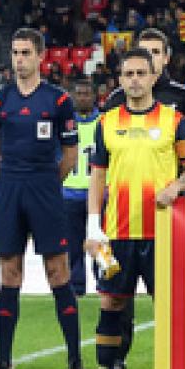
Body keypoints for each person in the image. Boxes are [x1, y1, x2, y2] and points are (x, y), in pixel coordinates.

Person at [77, 50, 185, 369]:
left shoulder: (175, 121)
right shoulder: (106, 123)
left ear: (153, 77)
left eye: (141, 73)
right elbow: (97, 177)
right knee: (111, 303)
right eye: (128, 73)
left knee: (169, 306)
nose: (134, 80)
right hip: (116, 233)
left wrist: (176, 187)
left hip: (162, 233)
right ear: (120, 79)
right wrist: (93, 226)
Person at [0, 28, 82, 369]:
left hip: (45, 189)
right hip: (10, 189)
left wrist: (47, 183)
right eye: (15, 53)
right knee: (9, 273)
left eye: (25, 53)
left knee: (58, 272)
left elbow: (70, 155)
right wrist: (11, 182)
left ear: (40, 56)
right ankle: (4, 361)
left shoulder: (58, 100)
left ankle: (74, 359)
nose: (19, 59)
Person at [102, 27, 185, 138]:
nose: (149, 57)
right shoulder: (116, 99)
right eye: (144, 52)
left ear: (166, 58)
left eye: (155, 52)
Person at [62, 78, 100, 295]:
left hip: (98, 195)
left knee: (100, 241)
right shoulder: (64, 124)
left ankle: (104, 283)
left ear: (94, 96)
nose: (83, 98)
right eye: (79, 94)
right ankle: (76, 287)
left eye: (87, 93)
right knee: (73, 245)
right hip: (69, 194)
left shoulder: (104, 123)